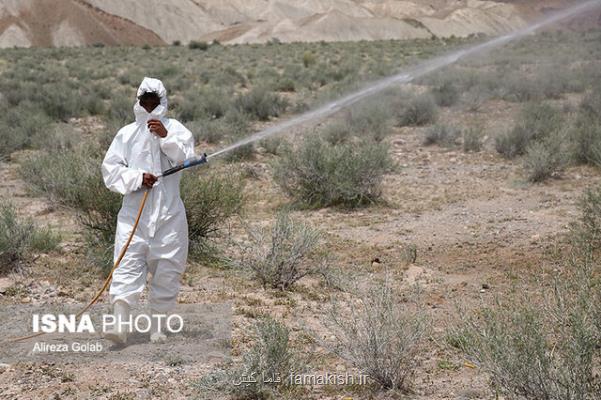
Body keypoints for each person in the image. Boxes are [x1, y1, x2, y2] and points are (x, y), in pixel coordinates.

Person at [101, 77, 195, 344]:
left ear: (163, 104)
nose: (151, 109)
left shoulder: (177, 130)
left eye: (156, 104)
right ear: (139, 104)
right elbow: (111, 171)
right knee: (126, 265)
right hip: (135, 215)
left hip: (169, 215)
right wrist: (137, 178)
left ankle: (158, 327)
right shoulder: (126, 134)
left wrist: (166, 137)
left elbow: (185, 157)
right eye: (146, 103)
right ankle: (120, 326)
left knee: (168, 268)